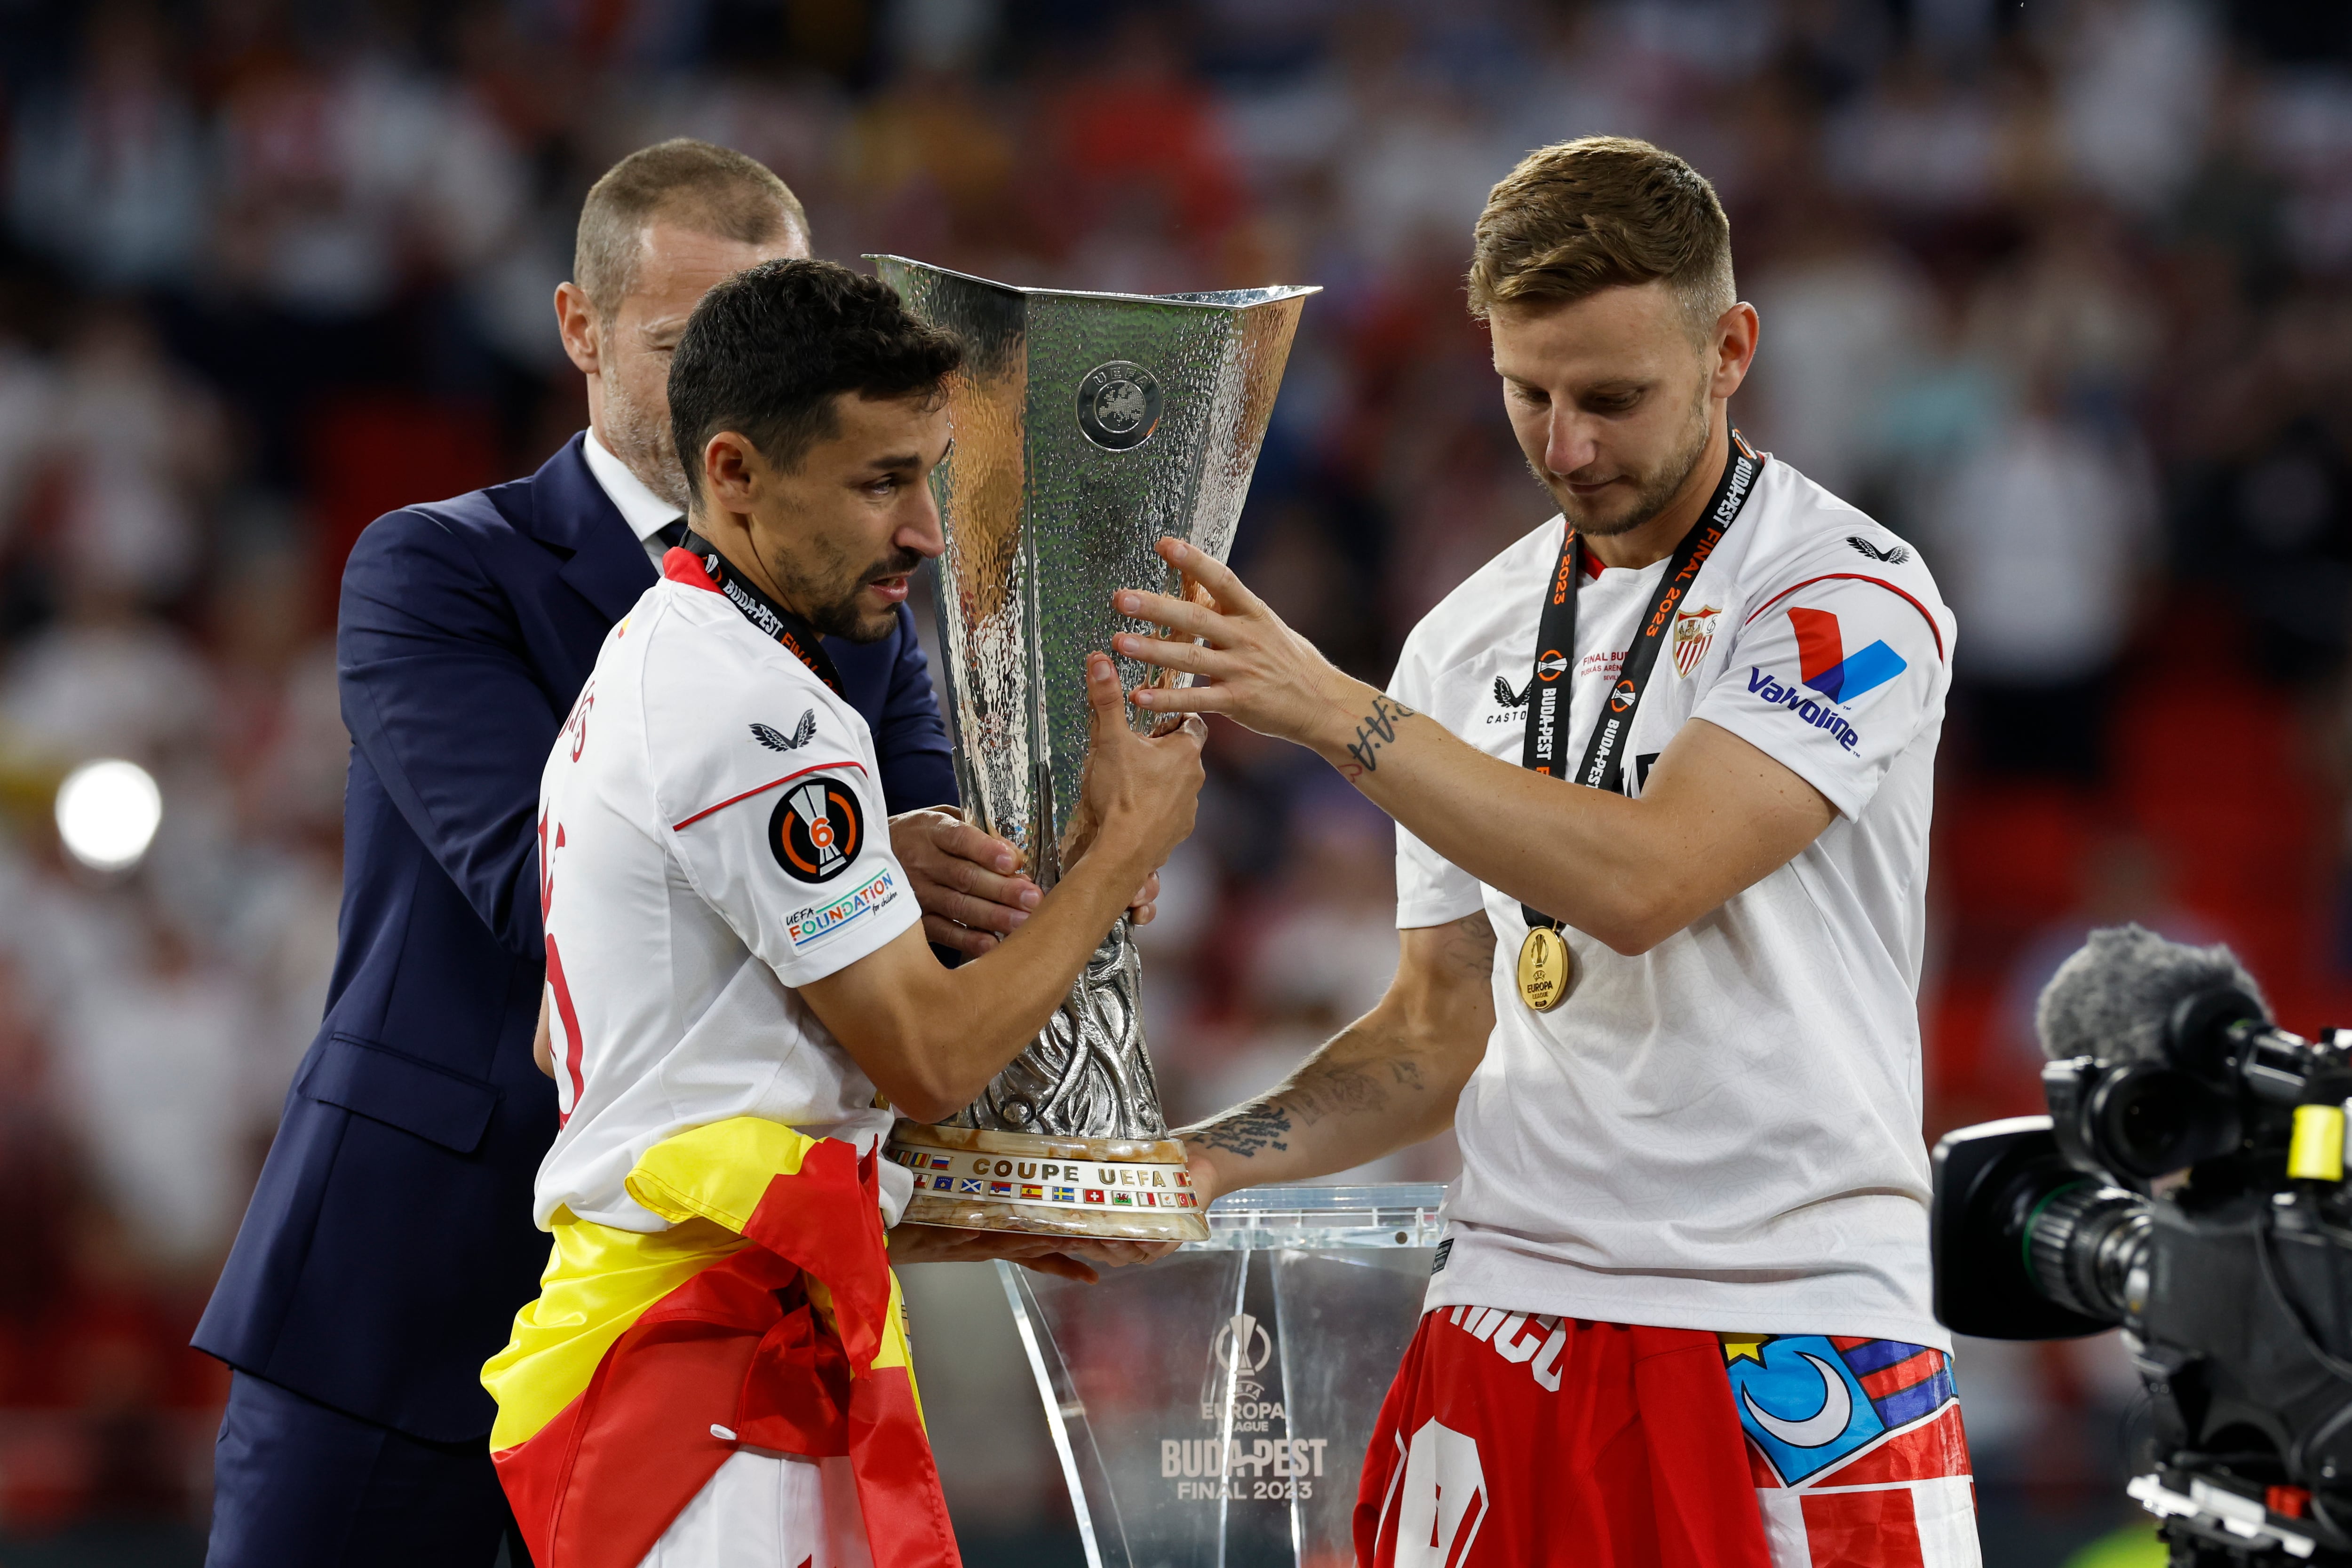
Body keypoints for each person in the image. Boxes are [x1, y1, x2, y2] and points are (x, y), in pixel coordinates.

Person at [196, 140, 1086, 1567]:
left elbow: (945, 905)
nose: (722, 378)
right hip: (412, 1278)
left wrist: (1052, 863)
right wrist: (848, 874)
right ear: (579, 330)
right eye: (683, 343)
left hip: (708, 1317)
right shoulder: (436, 567)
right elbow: (543, 885)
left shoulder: (856, 580)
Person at [1113, 138, 1976, 1567]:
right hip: (1510, 1310)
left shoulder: (1848, 593)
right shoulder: (1465, 635)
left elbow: (1643, 883)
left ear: (1732, 349)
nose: (1568, 447)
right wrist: (1201, 1169)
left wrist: (1334, 714)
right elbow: (1436, 1031)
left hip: (1793, 1328)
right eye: (1530, 395)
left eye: (1615, 398)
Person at [483, 257, 1205, 1567]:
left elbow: (610, 1048)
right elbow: (924, 1053)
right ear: (737, 472)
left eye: (929, 473)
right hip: (700, 1373)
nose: (926, 528)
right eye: (883, 482)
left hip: (721, 1345)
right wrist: (1122, 856)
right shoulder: (750, 710)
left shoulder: (694, 663)